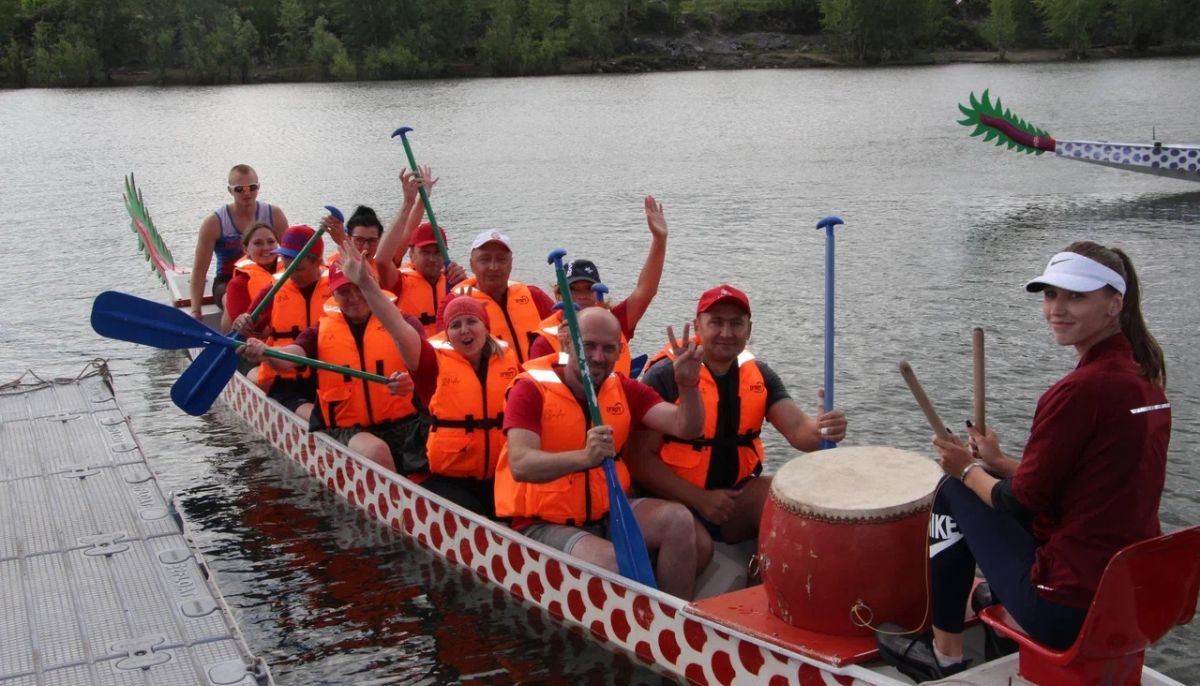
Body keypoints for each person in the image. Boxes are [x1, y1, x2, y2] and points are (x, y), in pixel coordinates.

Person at [876, 241, 1170, 681]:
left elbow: (1015, 501)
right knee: (982, 478)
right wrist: (998, 460)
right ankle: (999, 596)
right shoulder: (1146, 382)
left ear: (1114, 304)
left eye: (1076, 296)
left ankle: (944, 652)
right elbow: (1079, 484)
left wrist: (966, 469)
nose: (1058, 308)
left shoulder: (1077, 392)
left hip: (1065, 607)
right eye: (1051, 295)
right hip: (1131, 598)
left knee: (952, 492)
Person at [494, 308, 711, 599]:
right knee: (615, 565)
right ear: (567, 343)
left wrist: (688, 385)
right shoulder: (530, 389)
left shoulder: (624, 388)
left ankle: (673, 619)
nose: (598, 357)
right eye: (588, 346)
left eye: (608, 348)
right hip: (543, 523)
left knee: (679, 521)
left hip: (609, 512)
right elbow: (520, 464)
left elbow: (686, 426)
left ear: (619, 351)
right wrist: (584, 457)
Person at [626, 285, 848, 545]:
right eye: (716, 323)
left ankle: (768, 579)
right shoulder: (666, 375)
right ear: (698, 326)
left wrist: (824, 428)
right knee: (696, 544)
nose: (726, 333)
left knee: (785, 499)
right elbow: (638, 459)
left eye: (736, 324)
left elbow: (801, 432)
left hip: (731, 500)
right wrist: (699, 499)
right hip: (671, 500)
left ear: (749, 330)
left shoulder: (759, 375)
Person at [339, 245, 518, 517]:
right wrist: (365, 283)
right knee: (477, 511)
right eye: (455, 325)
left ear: (486, 328)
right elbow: (397, 327)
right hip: (444, 478)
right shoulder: (430, 364)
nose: (465, 330)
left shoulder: (509, 363)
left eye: (472, 321)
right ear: (447, 335)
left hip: (497, 474)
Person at [240, 262, 426, 474]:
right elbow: (289, 358)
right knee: (377, 451)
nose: (353, 298)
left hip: (408, 422)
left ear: (373, 287)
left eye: (359, 288)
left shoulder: (404, 323)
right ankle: (396, 503)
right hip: (348, 428)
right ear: (333, 295)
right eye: (344, 292)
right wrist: (266, 353)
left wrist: (411, 382)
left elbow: (429, 368)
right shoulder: (319, 331)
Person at [528, 195, 670, 375]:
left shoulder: (615, 322)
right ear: (558, 296)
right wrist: (565, 353)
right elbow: (542, 388)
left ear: (599, 293)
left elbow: (646, 290)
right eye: (572, 289)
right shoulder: (544, 342)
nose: (581, 296)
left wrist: (659, 240)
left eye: (589, 289)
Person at [232, 225, 330, 418]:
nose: (290, 270)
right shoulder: (272, 290)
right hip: (285, 381)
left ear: (317, 262)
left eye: (298, 266)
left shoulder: (337, 290)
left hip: (329, 378)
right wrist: (243, 323)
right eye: (285, 260)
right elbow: (248, 332)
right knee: (317, 416)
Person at [191, 164, 287, 318]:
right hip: (228, 281)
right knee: (232, 298)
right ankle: (233, 335)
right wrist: (196, 311)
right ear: (230, 190)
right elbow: (200, 270)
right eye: (239, 189)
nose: (247, 193)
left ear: (258, 187)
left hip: (270, 276)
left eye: (252, 187)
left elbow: (291, 255)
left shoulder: (275, 215)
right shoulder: (214, 223)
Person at [450, 230, 555, 363]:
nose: (493, 267)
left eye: (501, 259)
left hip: (536, 381)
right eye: (485, 259)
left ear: (511, 264)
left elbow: (569, 330)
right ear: (472, 265)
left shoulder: (534, 295)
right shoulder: (455, 303)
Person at [220, 222, 281, 331]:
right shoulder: (238, 285)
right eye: (258, 243)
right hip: (262, 344)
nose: (266, 247)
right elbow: (247, 332)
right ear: (245, 249)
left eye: (271, 242)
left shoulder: (295, 272)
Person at [324, 206, 399, 292]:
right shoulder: (333, 268)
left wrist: (409, 202)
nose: (366, 247)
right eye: (359, 240)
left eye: (372, 240)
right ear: (349, 238)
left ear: (380, 240)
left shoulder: (386, 269)